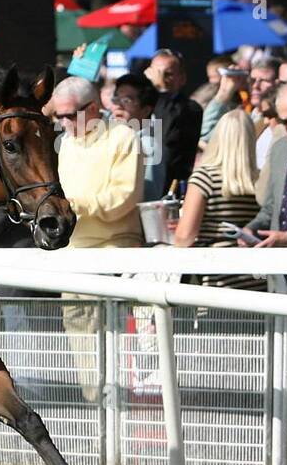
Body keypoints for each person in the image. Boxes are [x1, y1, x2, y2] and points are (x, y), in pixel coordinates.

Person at [52, 76, 144, 402]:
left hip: (113, 248)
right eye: (58, 116)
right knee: (77, 325)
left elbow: (123, 196)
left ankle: (119, 403)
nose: (63, 123)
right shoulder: (65, 144)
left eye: (69, 115)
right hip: (74, 250)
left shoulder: (123, 137)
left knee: (110, 328)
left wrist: (73, 206)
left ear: (92, 107)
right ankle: (94, 403)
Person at [173, 109, 264, 290]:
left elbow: (184, 237)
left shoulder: (205, 178)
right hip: (256, 281)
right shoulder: (261, 180)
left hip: (217, 281)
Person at [243, 81, 287, 251]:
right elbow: (272, 206)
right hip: (278, 266)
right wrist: (251, 229)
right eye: (283, 120)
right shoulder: (280, 148)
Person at [146, 49, 204, 200]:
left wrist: (161, 91)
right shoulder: (140, 104)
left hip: (171, 190)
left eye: (168, 74)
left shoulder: (190, 109)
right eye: (157, 74)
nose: (161, 79)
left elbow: (162, 137)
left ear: (182, 78)